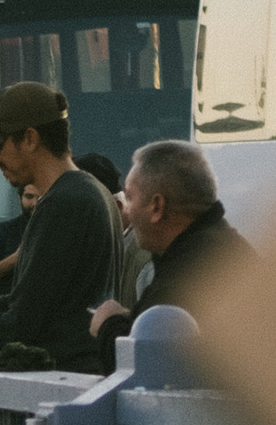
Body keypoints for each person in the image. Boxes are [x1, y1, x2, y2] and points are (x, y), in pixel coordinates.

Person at [0, 85, 123, 371]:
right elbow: (25, 303)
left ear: (29, 138)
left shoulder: (63, 203)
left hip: (64, 381)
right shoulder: (92, 191)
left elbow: (20, 324)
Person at [90, 140, 255, 343]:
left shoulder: (187, 274)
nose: (127, 210)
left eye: (130, 197)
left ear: (157, 207)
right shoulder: (222, 246)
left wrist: (107, 326)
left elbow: (151, 362)